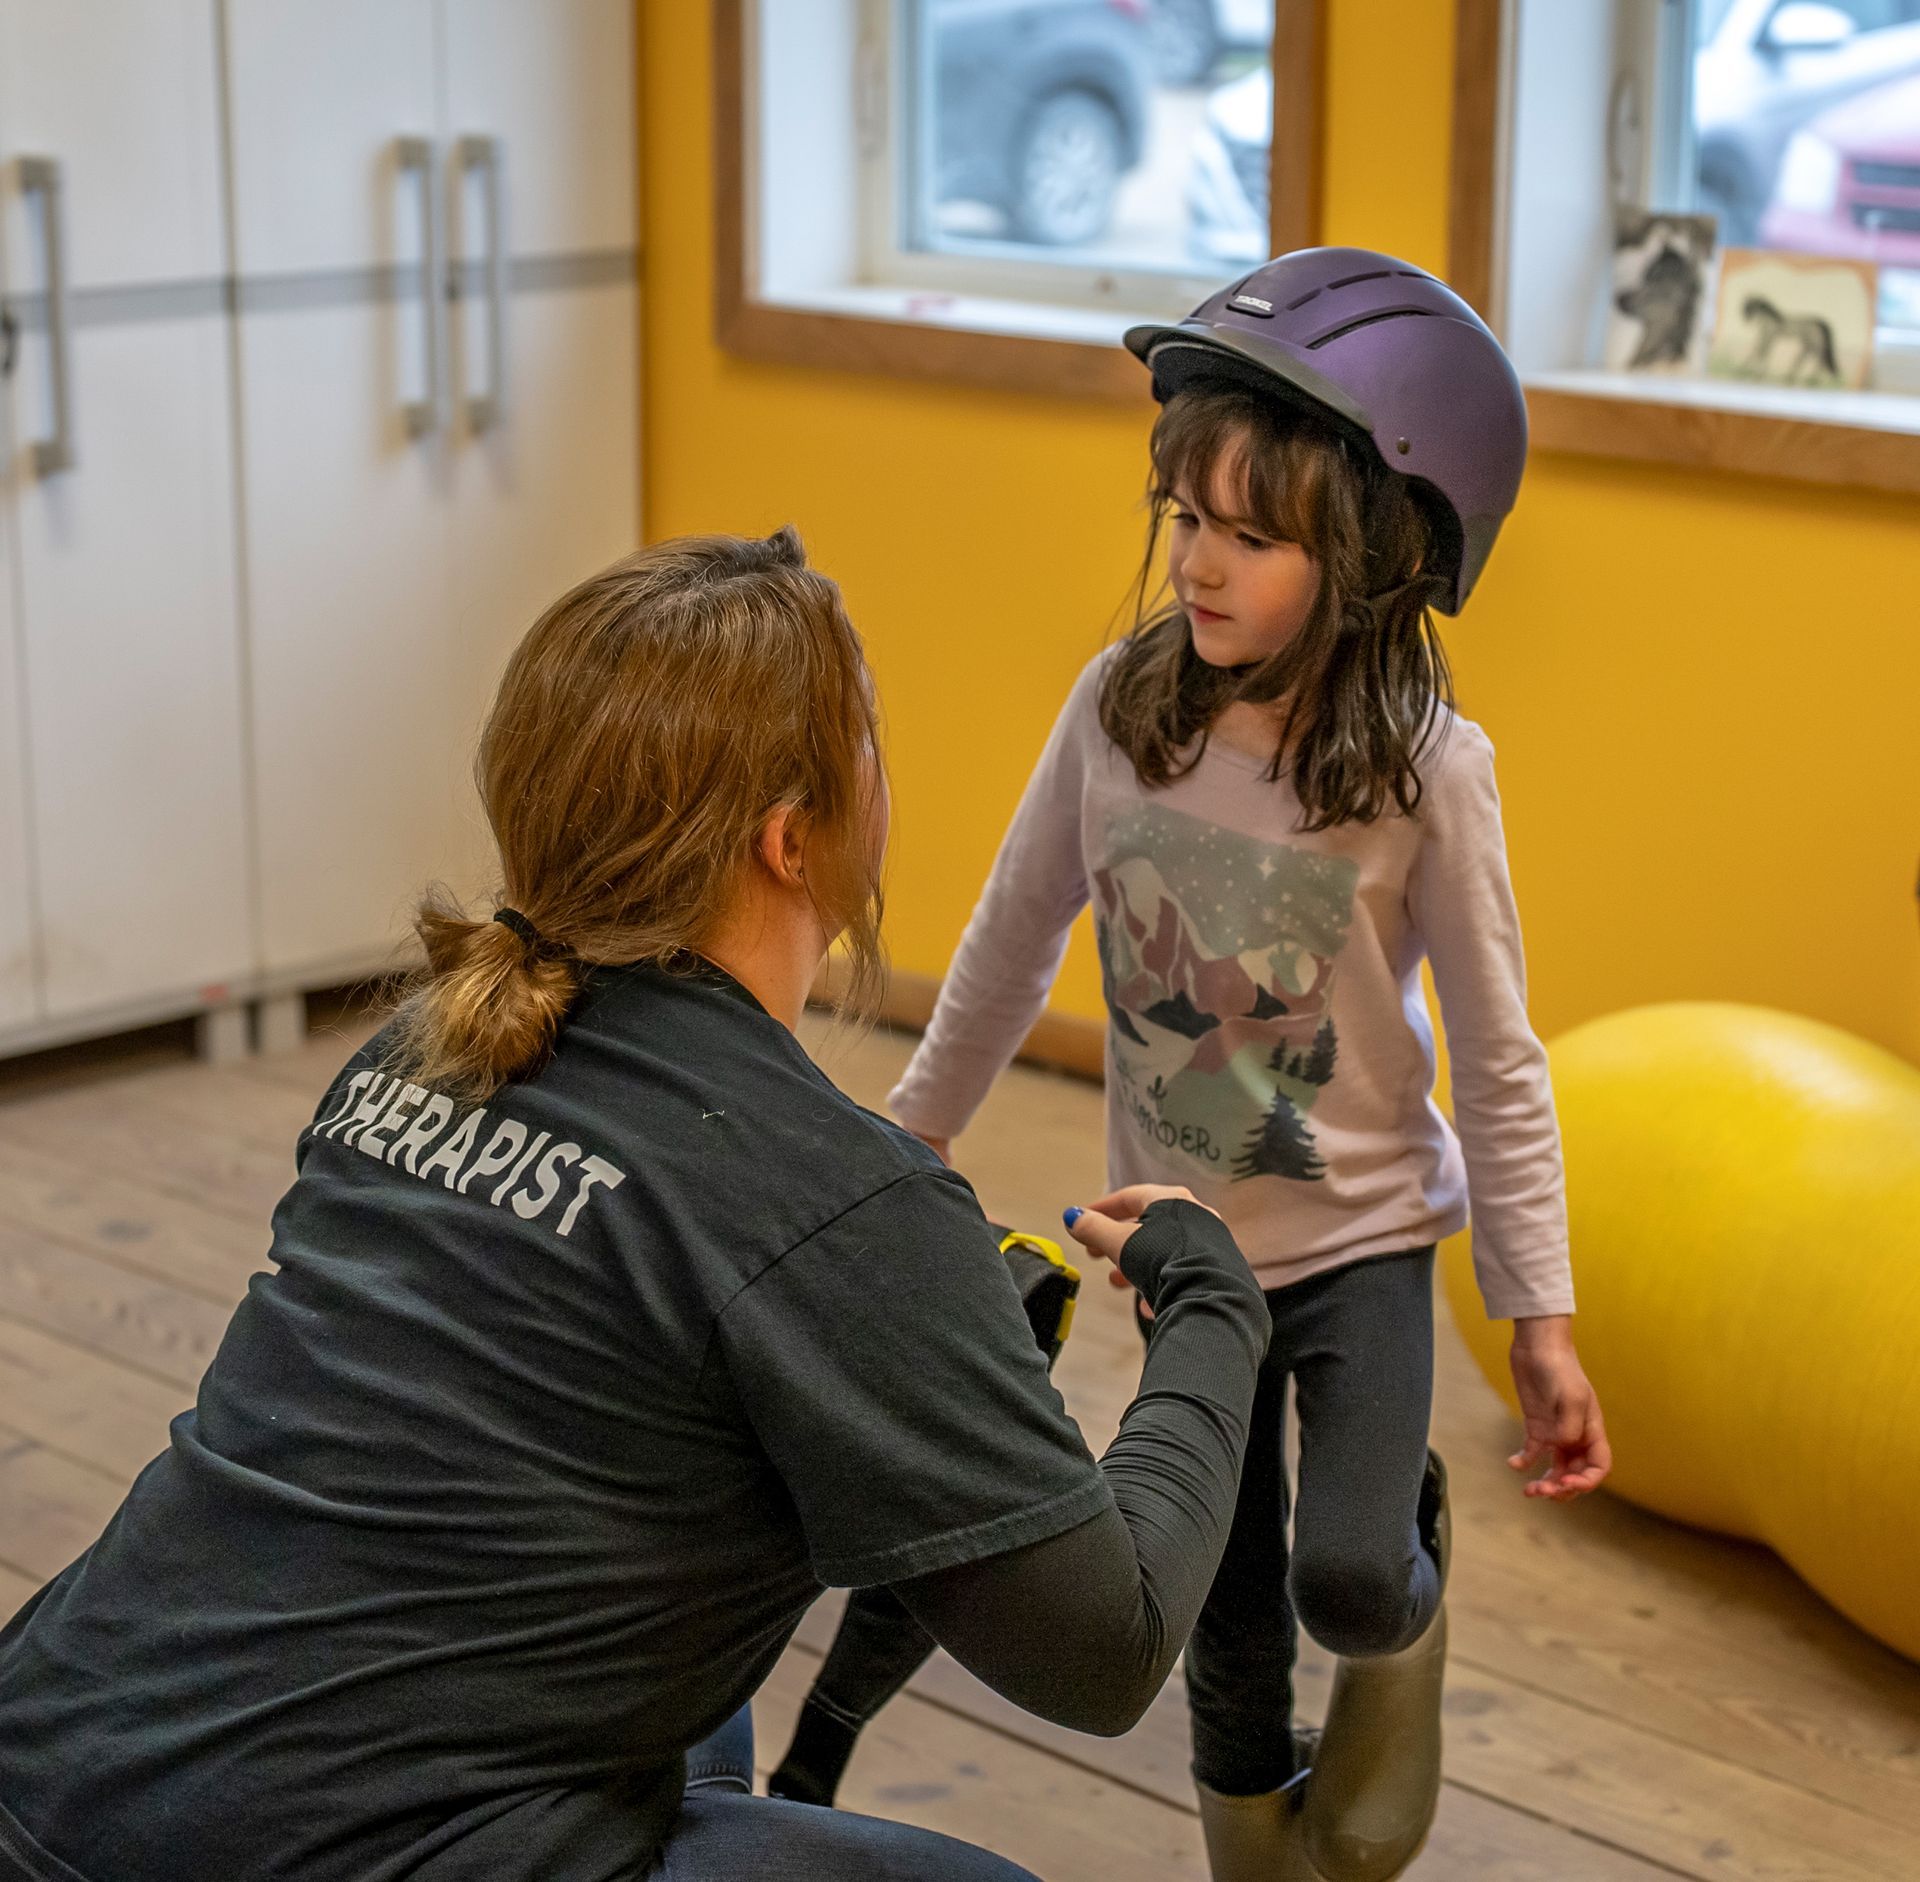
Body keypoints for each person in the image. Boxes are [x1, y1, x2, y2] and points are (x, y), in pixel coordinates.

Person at [0, 529, 1274, 1882]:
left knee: (692, 1697)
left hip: (50, 1759)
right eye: (870, 737)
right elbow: (1109, 1645)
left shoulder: (418, 1049)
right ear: (794, 840)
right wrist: (1214, 1305)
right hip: (329, 1849)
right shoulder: (838, 1195)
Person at [886, 249, 1614, 1882]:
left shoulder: (1431, 772)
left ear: (1368, 552)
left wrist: (1540, 1316)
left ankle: (1403, 1575)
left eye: (1253, 533)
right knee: (1209, 1617)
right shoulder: (1115, 711)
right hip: (1182, 1247)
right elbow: (1009, 942)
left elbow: (1498, 1059)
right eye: (1186, 518)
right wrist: (908, 1138)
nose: (1198, 564)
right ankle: (1253, 1856)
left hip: (1358, 1245)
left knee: (1340, 1580)